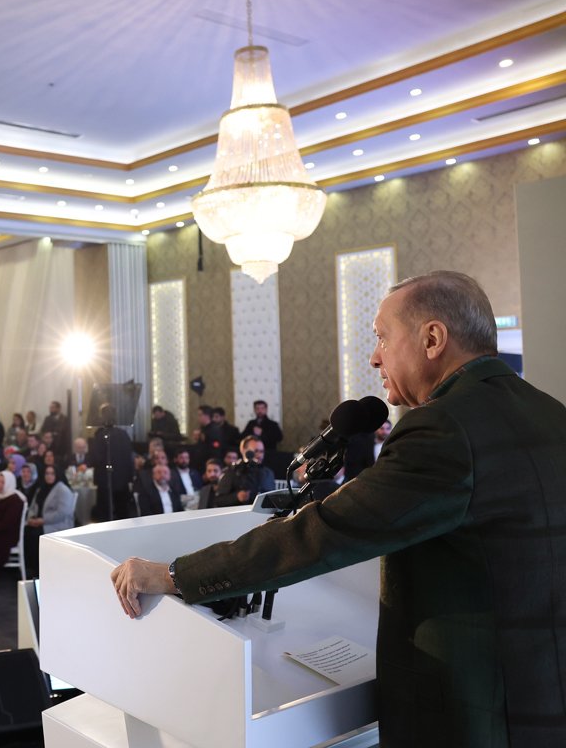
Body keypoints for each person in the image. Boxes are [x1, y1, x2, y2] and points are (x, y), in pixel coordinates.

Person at [110, 271, 566, 745]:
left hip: (476, 713)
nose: (374, 357)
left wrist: (176, 575)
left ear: (432, 339)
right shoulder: (550, 413)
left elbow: (324, 532)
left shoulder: (443, 429)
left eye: (382, 337)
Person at [23, 466, 73, 577]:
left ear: (57, 475)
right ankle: (29, 567)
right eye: (47, 473)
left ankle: (38, 569)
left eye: (52, 473)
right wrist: (31, 518)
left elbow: (62, 513)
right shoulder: (41, 488)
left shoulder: (62, 490)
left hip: (57, 524)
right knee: (26, 531)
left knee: (35, 535)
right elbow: (33, 506)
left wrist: (43, 520)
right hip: (40, 521)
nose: (49, 476)